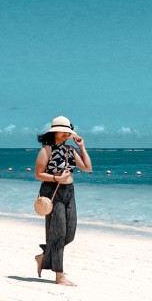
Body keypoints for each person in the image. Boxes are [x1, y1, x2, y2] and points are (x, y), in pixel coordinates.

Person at [34, 115, 92, 286]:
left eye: (69, 132)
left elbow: (88, 168)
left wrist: (81, 147)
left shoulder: (70, 150)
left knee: (70, 233)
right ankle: (60, 276)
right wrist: (56, 178)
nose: (67, 134)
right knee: (58, 234)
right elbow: (38, 174)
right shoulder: (47, 150)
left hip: (69, 192)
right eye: (64, 131)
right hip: (52, 190)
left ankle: (44, 256)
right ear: (56, 132)